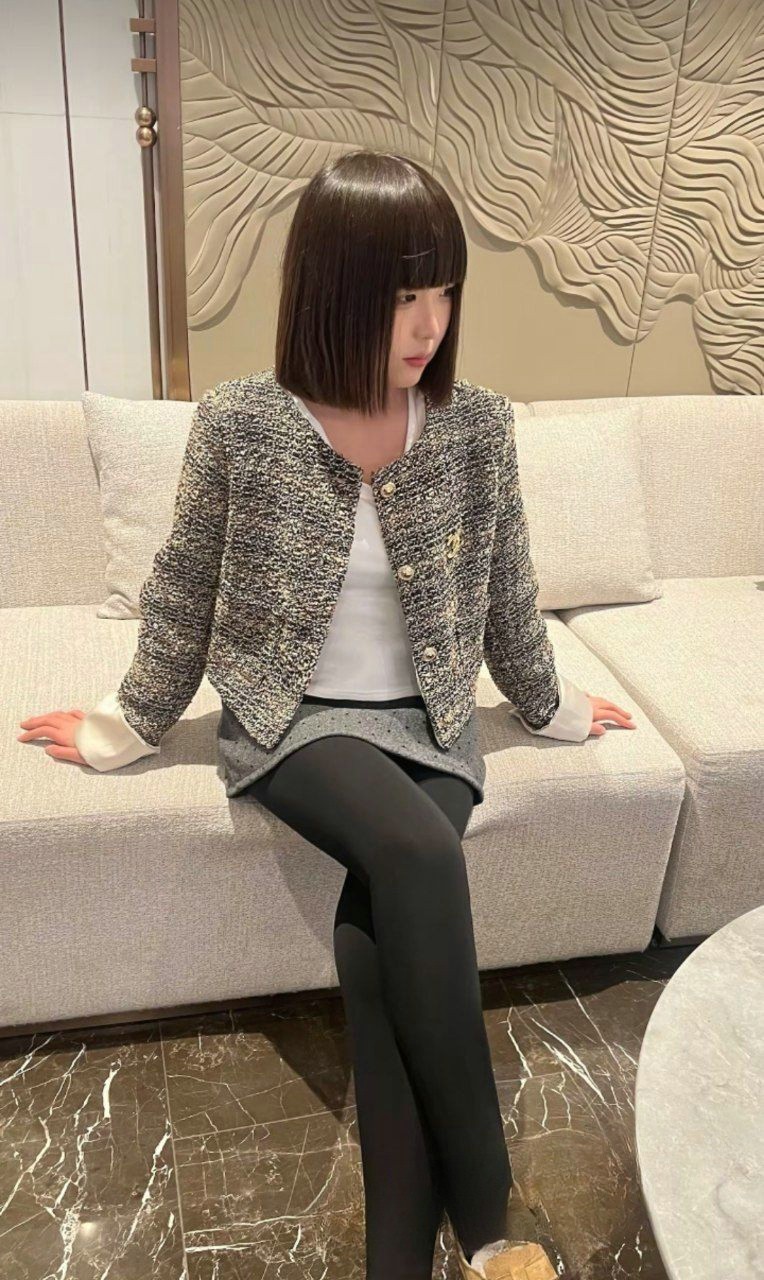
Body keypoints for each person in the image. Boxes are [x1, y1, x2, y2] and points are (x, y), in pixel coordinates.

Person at [18, 150, 636, 1279]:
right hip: (295, 719)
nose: (429, 323)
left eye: (443, 290)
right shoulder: (243, 422)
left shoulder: (474, 426)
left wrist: (550, 706)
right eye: (403, 294)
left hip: (431, 721)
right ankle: (492, 1227)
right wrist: (127, 722)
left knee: (374, 946)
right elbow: (185, 585)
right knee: (416, 851)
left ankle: (395, 1261)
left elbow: (507, 589)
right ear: (332, 288)